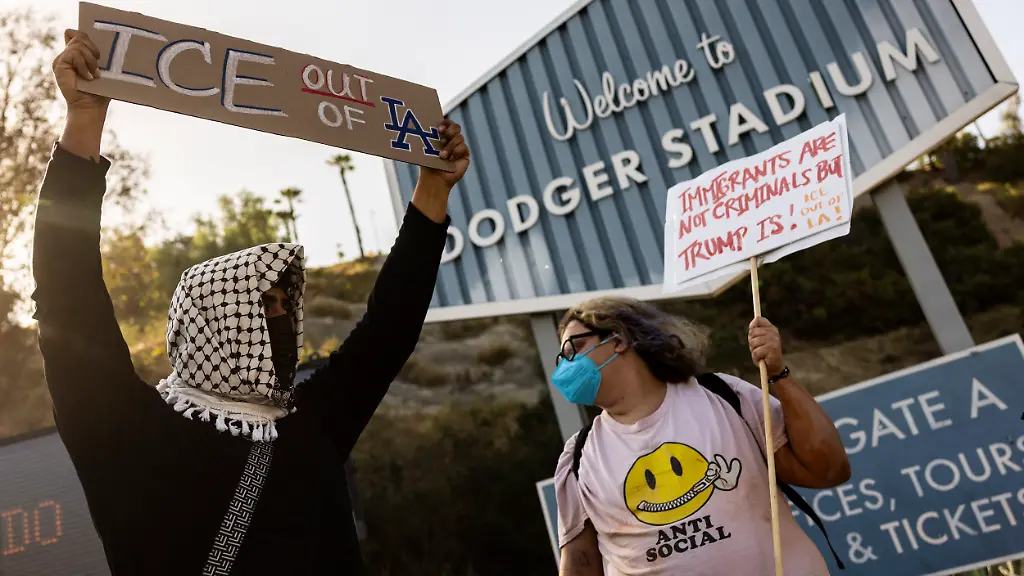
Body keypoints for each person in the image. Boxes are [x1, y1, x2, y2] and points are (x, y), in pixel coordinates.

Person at [32, 29, 469, 575]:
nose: (285, 324)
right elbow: (65, 296)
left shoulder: (314, 422)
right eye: (265, 307)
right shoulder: (126, 431)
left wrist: (432, 192)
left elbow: (389, 328)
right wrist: (84, 121)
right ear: (213, 324)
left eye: (289, 306)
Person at [551, 297, 851, 575]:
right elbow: (579, 564)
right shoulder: (578, 456)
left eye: (572, 350)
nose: (565, 367)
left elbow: (827, 470)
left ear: (617, 340)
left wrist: (777, 372)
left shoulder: (723, 395)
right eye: (560, 359)